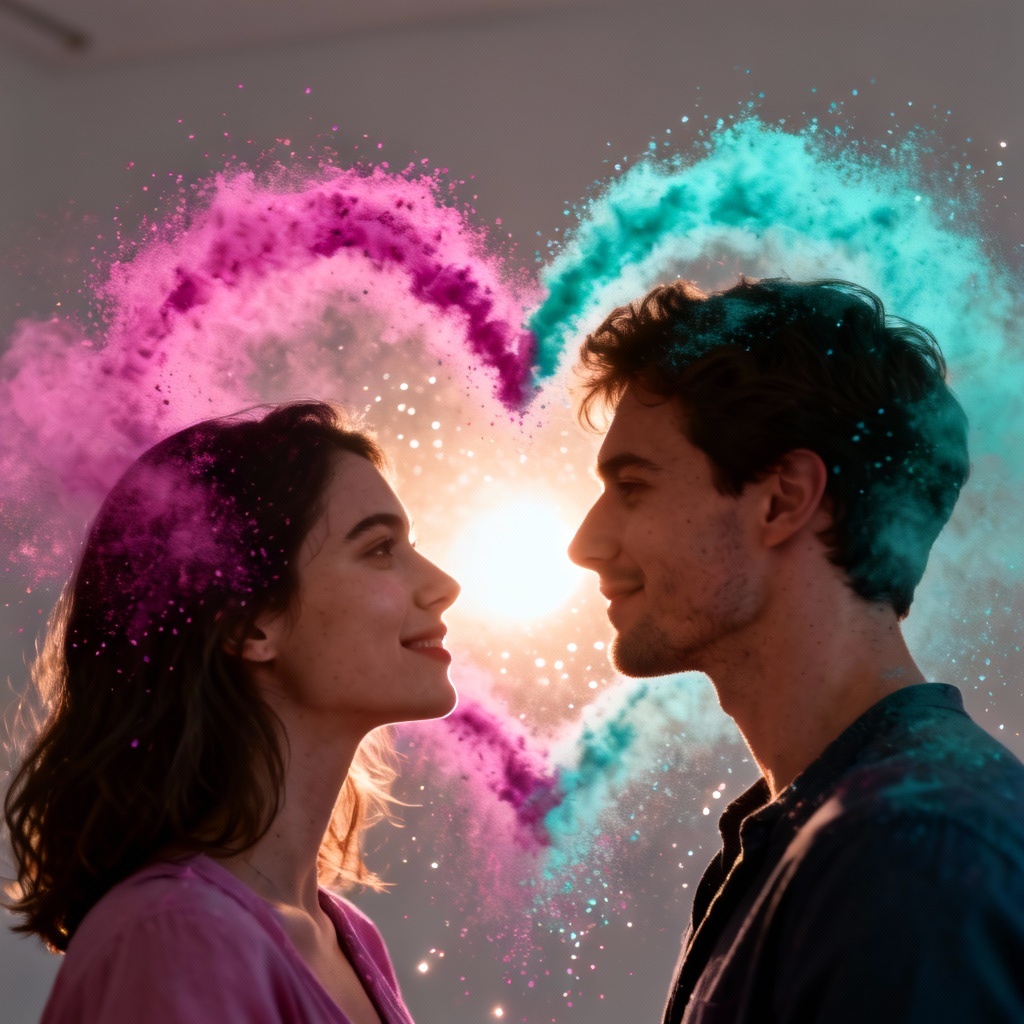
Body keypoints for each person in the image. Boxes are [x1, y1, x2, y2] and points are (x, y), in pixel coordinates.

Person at [567, 278, 1024, 1023]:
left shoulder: (906, 855)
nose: (585, 543)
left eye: (632, 485)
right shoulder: (821, 835)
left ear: (782, 499)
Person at [4, 401, 460, 1024]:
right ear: (248, 623)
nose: (442, 583)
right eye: (380, 548)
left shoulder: (348, 937)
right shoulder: (176, 937)